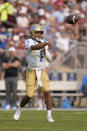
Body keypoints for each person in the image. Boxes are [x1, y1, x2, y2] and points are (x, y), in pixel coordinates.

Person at [13, 24, 54, 122]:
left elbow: (49, 58)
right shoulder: (28, 41)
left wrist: (45, 53)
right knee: (29, 95)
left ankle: (49, 115)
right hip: (31, 70)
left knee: (47, 91)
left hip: (42, 70)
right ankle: (19, 109)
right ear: (32, 33)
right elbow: (35, 47)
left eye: (40, 32)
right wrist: (46, 43)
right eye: (37, 32)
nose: (39, 34)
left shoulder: (44, 43)